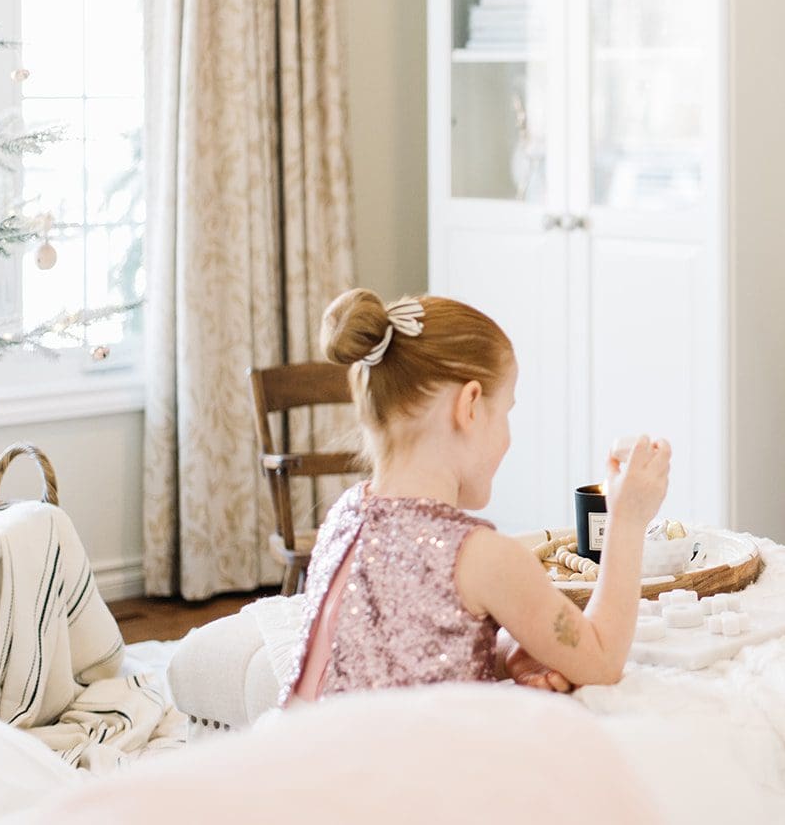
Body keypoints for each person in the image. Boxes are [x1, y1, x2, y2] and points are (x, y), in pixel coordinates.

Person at [279, 289, 671, 704]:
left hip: (314, 759)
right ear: (469, 406)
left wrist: (500, 654)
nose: (508, 435)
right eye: (505, 411)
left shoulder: (342, 517)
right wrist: (627, 520)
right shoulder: (482, 557)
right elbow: (603, 660)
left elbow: (384, 657)